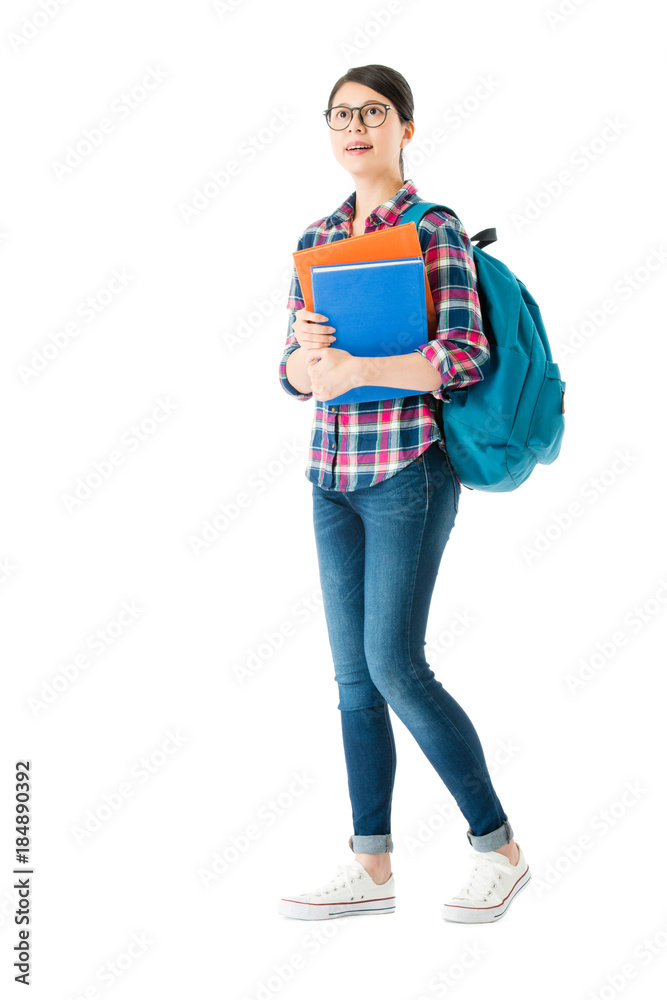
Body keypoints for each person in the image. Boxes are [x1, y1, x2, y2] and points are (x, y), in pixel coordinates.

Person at [277, 64, 531, 924]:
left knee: (395, 666)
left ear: (404, 128)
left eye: (372, 113)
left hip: (404, 472)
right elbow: (289, 373)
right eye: (340, 114)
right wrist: (306, 361)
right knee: (353, 680)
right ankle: (372, 865)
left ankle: (498, 848)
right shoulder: (314, 237)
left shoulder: (434, 230)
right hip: (330, 477)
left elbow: (464, 356)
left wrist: (360, 369)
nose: (355, 127)